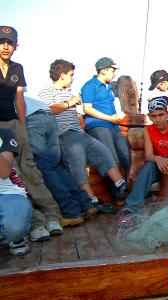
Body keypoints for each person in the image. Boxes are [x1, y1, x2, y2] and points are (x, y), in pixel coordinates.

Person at [38, 59, 128, 214]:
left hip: (80, 133)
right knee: (77, 164)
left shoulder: (68, 92)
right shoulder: (47, 91)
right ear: (62, 75)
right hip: (64, 135)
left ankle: (121, 185)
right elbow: (48, 110)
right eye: (71, 75)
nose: (73, 78)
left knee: (103, 151)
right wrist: (69, 103)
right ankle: (91, 200)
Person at [0, 25, 63, 242]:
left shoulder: (17, 68)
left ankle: (52, 215)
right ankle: (35, 222)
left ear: (17, 46)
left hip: (15, 123)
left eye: (9, 42)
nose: (5, 46)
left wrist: (23, 126)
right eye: (1, 42)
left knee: (29, 167)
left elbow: (19, 100)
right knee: (12, 172)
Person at [25, 96, 97, 224]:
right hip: (47, 115)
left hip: (30, 119)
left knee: (44, 166)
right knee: (55, 165)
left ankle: (71, 212)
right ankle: (85, 205)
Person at [81, 57, 130, 174]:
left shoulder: (108, 87)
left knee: (127, 156)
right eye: (112, 71)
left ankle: (133, 187)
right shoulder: (89, 85)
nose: (114, 74)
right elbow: (87, 109)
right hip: (99, 127)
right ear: (103, 71)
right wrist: (110, 118)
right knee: (111, 159)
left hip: (114, 126)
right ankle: (118, 191)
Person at [0, 128, 32, 255]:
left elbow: (4, 173)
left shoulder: (4, 134)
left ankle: (16, 238)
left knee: (14, 229)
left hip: (7, 193)